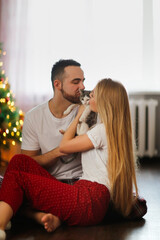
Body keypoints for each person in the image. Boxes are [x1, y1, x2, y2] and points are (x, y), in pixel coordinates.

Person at [0, 78, 140, 240]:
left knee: (18, 178)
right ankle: (40, 216)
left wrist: (79, 115)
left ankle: (2, 224)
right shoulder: (113, 131)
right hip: (88, 196)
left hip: (89, 198)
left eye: (93, 96)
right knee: (20, 161)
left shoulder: (102, 131)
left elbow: (65, 146)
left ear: (104, 101)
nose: (88, 100)